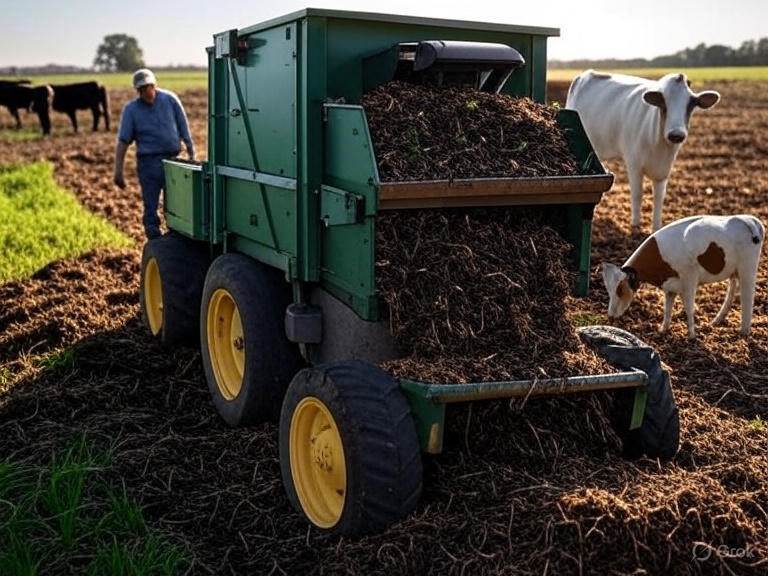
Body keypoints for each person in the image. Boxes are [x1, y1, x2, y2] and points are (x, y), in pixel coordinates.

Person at [113, 68, 195, 239]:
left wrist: (191, 152)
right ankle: (154, 236)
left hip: (173, 160)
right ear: (137, 91)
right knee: (150, 203)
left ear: (154, 85)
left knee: (176, 202)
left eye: (148, 88)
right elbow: (123, 141)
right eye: (141, 90)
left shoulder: (170, 100)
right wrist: (118, 171)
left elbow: (183, 127)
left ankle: (175, 236)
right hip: (148, 163)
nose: (146, 93)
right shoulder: (132, 110)